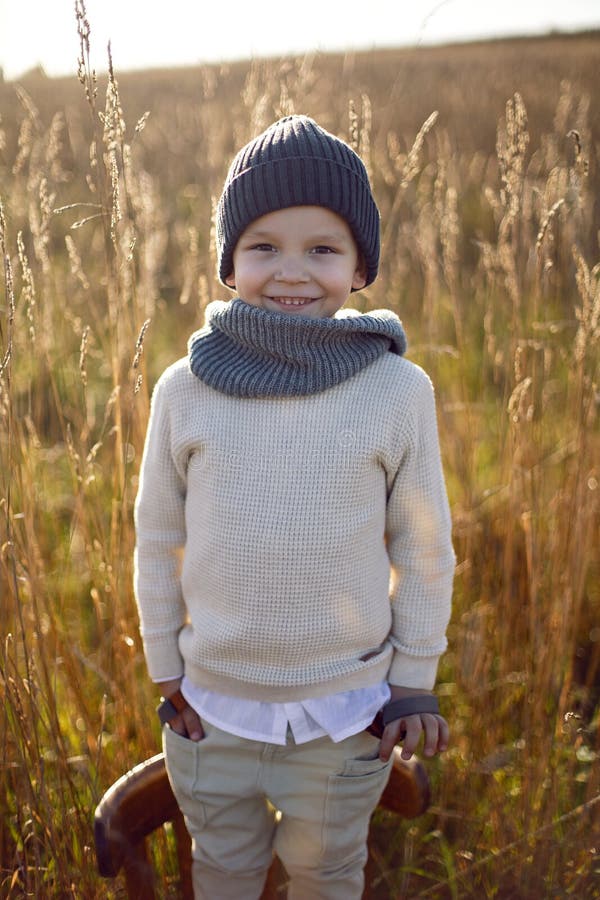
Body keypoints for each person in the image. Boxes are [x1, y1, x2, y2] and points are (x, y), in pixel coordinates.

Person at [134, 114, 455, 900]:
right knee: (224, 871)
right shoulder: (185, 390)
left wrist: (414, 678)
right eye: (264, 247)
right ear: (229, 260)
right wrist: (165, 667)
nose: (291, 272)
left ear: (359, 265)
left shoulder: (395, 390)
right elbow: (155, 538)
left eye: (323, 249)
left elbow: (424, 546)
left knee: (325, 875)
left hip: (347, 714)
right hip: (211, 712)